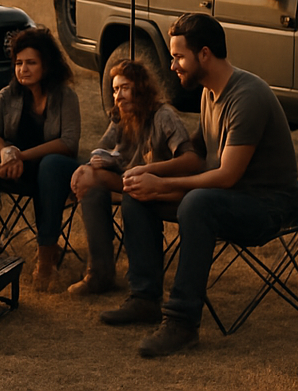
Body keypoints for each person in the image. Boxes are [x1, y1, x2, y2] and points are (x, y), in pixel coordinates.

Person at [100, 13, 298, 358]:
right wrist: (148, 174)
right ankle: (145, 297)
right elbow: (196, 154)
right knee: (137, 194)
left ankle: (181, 321)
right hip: (227, 197)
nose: (173, 65)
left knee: (197, 203)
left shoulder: (246, 96)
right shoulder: (210, 93)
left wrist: (163, 185)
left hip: (267, 205)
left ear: (204, 54)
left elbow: (227, 176)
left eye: (179, 56)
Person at [0, 26, 80, 289]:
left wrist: (20, 155)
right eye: (19, 63)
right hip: (14, 171)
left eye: (31, 63)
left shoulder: (65, 96)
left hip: (54, 174)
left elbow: (68, 143)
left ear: (47, 65)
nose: (23, 69)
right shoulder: (7, 95)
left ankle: (46, 255)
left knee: (51, 164)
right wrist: (5, 152)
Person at [68, 59, 200, 296]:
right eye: (115, 90)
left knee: (95, 180)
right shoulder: (121, 116)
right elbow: (103, 149)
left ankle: (119, 278)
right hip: (131, 184)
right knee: (92, 185)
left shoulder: (163, 115)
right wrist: (99, 162)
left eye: (125, 88)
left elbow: (190, 160)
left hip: (164, 189)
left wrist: (149, 171)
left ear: (141, 87)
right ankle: (100, 273)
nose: (118, 96)